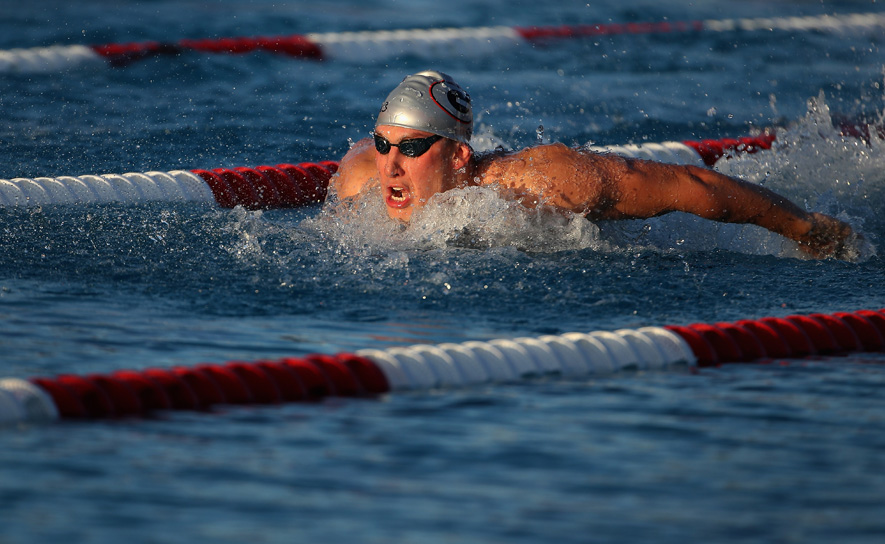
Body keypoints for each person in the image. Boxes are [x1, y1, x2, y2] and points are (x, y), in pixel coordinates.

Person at [331, 70, 856, 259]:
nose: (390, 167)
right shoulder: (360, 181)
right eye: (383, 145)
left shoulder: (540, 184)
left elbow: (686, 184)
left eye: (413, 148)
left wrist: (802, 227)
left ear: (459, 154)